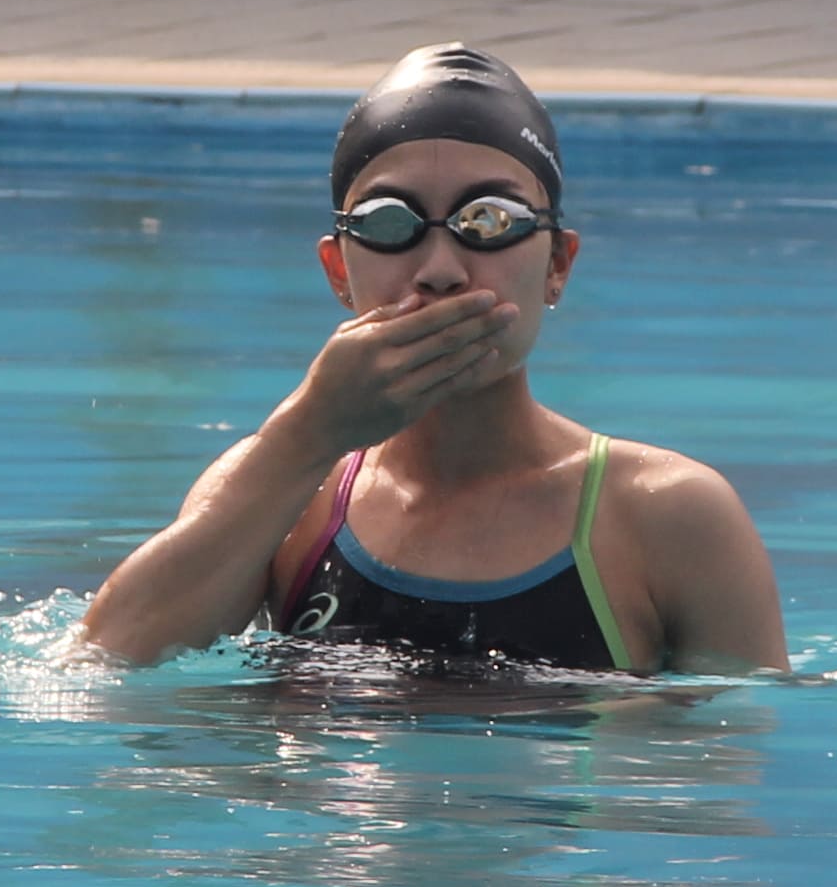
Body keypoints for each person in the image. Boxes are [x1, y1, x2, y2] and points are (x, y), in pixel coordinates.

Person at [84, 45, 788, 678]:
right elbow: (102, 673)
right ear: (338, 270)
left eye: (490, 220)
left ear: (558, 265)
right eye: (390, 223)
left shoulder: (667, 516)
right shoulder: (286, 489)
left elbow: (726, 762)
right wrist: (306, 434)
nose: (442, 270)